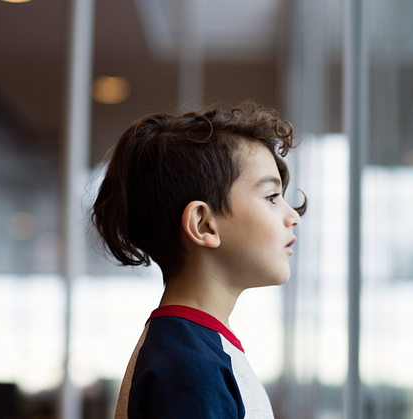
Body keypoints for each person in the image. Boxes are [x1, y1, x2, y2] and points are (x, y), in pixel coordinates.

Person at [91, 101, 306, 419]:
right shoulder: (189, 368)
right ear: (204, 224)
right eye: (272, 197)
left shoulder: (193, 349)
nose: (293, 216)